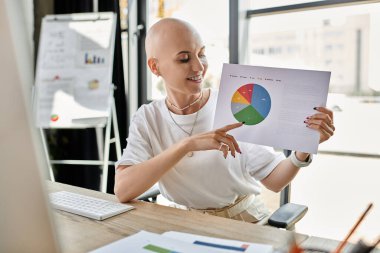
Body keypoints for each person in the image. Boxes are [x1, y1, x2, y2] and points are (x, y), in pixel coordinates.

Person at [114, 18, 335, 223]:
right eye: (184, 58)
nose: (199, 67)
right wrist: (187, 145)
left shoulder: (234, 104)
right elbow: (123, 189)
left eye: (201, 54)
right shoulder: (148, 117)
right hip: (184, 223)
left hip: (245, 221)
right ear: (155, 67)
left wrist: (302, 150)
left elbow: (275, 181)